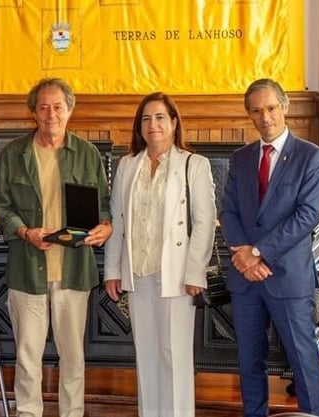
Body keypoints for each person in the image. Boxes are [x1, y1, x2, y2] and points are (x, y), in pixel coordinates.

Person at [0, 77, 112, 417]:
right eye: (43, 107)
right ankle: (28, 412)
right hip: (27, 269)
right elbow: (1, 204)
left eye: (58, 107)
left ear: (70, 110)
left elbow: (104, 205)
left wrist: (106, 226)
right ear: (33, 112)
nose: (51, 114)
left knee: (72, 356)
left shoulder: (87, 154)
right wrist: (25, 231)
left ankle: (72, 412)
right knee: (27, 355)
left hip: (73, 271)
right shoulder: (15, 153)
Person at [219, 78, 319, 417]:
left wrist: (257, 253)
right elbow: (228, 211)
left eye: (270, 108)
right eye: (256, 111)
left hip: (288, 278)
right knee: (249, 363)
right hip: (246, 280)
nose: (264, 117)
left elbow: (307, 216)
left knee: (304, 363)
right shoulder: (240, 159)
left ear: (285, 107)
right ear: (249, 115)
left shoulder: (312, 157)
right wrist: (244, 255)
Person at [103, 92, 215, 417]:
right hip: (138, 272)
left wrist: (195, 272)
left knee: (174, 355)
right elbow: (117, 219)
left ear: (174, 122)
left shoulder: (193, 164)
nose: (153, 124)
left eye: (160, 117)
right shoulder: (128, 165)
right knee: (147, 355)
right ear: (139, 126)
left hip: (177, 275)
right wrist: (113, 270)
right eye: (146, 118)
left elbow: (205, 221)